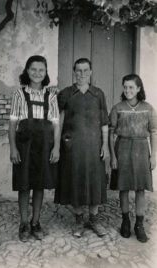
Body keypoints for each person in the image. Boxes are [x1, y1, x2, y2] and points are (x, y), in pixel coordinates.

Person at [55, 58, 109, 238]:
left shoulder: (98, 94)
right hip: (72, 148)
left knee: (95, 182)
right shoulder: (66, 94)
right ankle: (79, 220)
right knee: (75, 182)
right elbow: (59, 121)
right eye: (78, 71)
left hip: (94, 147)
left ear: (91, 72)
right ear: (74, 72)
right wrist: (57, 146)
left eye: (85, 70)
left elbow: (104, 123)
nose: (82, 74)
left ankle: (93, 220)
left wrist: (105, 146)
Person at [9, 55, 60, 242]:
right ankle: (23, 222)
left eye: (41, 70)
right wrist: (13, 148)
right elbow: (13, 124)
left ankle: (35, 222)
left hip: (45, 146)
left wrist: (56, 148)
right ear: (27, 71)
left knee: (39, 185)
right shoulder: (19, 94)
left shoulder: (51, 95)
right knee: (24, 185)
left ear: (46, 73)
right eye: (33, 69)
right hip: (24, 146)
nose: (37, 73)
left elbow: (56, 124)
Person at [109, 74, 157, 243]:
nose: (128, 90)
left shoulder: (148, 108)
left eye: (131, 87)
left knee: (140, 188)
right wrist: (113, 156)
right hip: (122, 149)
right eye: (125, 87)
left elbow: (153, 132)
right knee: (123, 187)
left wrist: (154, 156)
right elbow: (111, 132)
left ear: (138, 89)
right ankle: (125, 221)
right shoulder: (117, 108)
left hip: (142, 150)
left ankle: (139, 224)